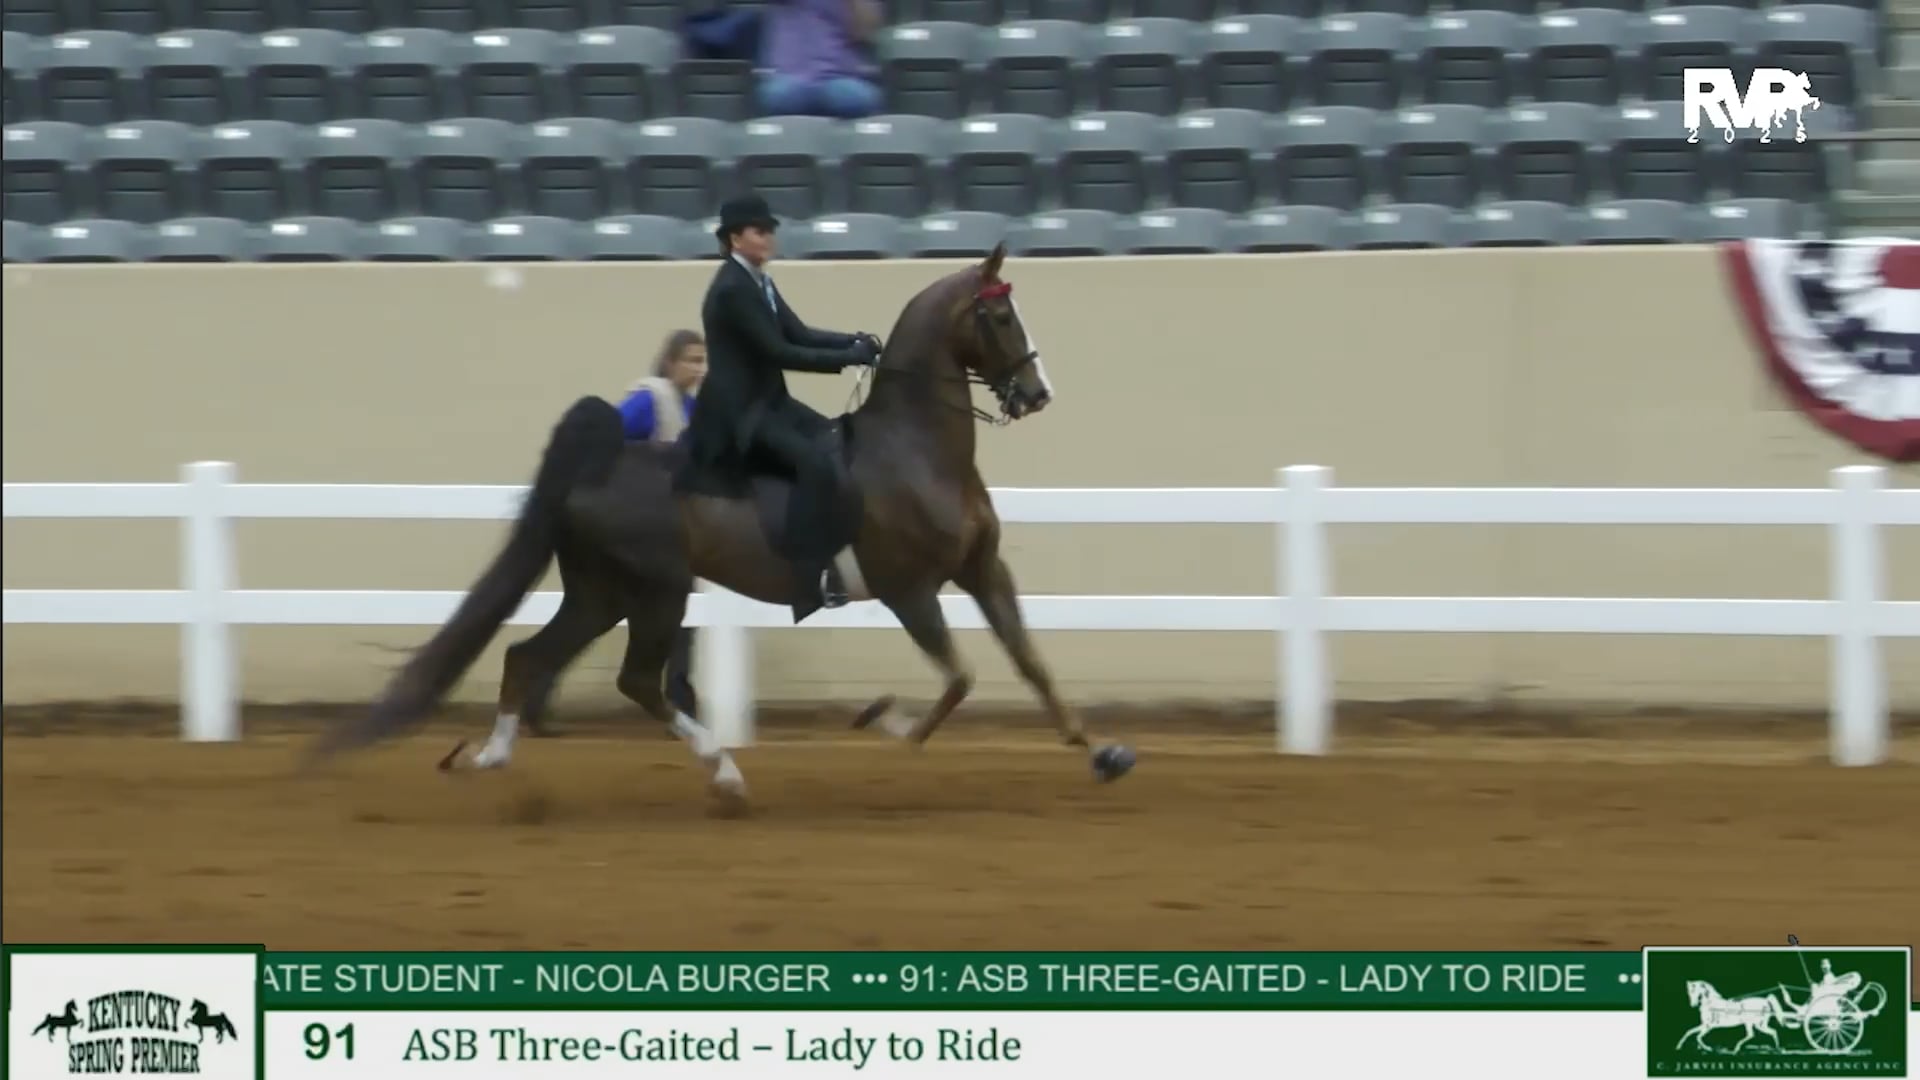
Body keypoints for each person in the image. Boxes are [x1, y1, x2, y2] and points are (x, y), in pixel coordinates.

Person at [682, 192, 880, 622]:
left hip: (772, 403)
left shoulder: (760, 282)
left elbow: (801, 332)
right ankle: (810, 578)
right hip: (743, 417)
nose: (769, 236)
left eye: (770, 229)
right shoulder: (733, 289)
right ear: (735, 239)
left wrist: (853, 340)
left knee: (835, 441)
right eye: (759, 230)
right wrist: (847, 360)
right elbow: (779, 351)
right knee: (813, 463)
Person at [618, 329, 707, 717]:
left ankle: (678, 696)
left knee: (681, 614)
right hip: (637, 528)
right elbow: (610, 440)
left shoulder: (690, 408)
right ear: (670, 362)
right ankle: (676, 697)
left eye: (703, 361)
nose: (699, 368)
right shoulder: (648, 400)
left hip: (671, 530)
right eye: (691, 359)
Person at [757, 0, 885, 119]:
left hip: (839, 77)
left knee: (856, 98)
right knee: (783, 94)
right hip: (790, 77)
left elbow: (865, 32)